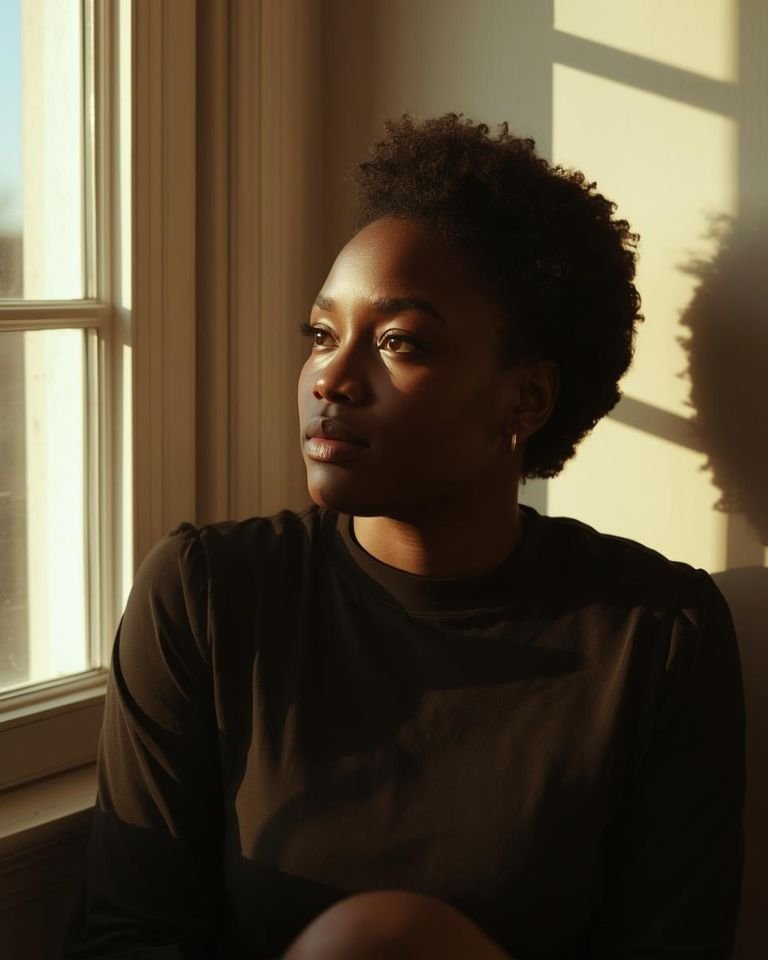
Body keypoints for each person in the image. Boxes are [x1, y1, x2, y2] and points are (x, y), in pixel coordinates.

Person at [63, 113, 745, 959]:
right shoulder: (207, 593)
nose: (332, 378)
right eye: (321, 333)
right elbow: (130, 936)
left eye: (398, 342)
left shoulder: (656, 634)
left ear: (524, 399)